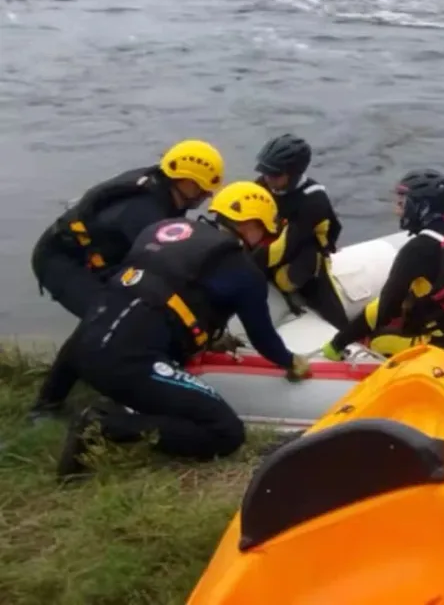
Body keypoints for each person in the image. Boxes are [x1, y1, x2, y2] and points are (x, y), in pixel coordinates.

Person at [39, 181, 312, 481]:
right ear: (250, 225)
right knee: (226, 432)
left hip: (83, 348)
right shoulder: (245, 274)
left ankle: (52, 408)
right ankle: (104, 425)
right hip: (128, 363)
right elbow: (263, 338)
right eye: (265, 233)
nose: (262, 242)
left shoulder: (163, 229)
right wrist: (290, 360)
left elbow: (162, 294)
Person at [31, 139, 226, 319]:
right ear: (182, 179)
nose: (207, 194)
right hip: (62, 259)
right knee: (109, 316)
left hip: (105, 253)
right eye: (201, 187)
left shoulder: (164, 191)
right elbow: (164, 263)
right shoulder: (143, 210)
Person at [321, 169, 444, 366]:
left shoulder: (417, 249)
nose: (398, 211)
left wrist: (340, 342)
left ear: (421, 207)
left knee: (378, 340)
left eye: (402, 204)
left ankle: (334, 349)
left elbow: (385, 310)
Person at [253, 134, 348, 329]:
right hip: (274, 242)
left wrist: (244, 264)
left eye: (275, 174)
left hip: (306, 254)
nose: (268, 178)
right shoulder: (261, 185)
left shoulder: (313, 200)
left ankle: (341, 331)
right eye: (265, 172)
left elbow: (284, 247)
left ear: (293, 174)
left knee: (328, 308)